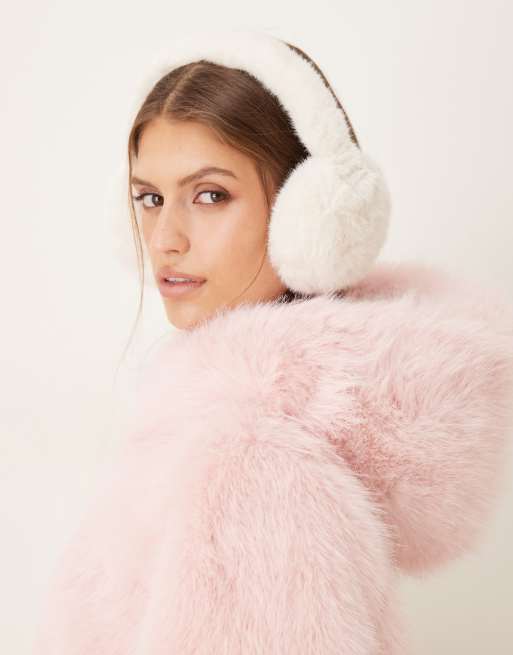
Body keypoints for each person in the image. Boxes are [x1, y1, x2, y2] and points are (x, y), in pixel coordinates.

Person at [34, 29, 513, 654]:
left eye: (210, 195)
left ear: (307, 217)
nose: (164, 238)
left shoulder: (250, 465)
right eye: (149, 198)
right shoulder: (230, 431)